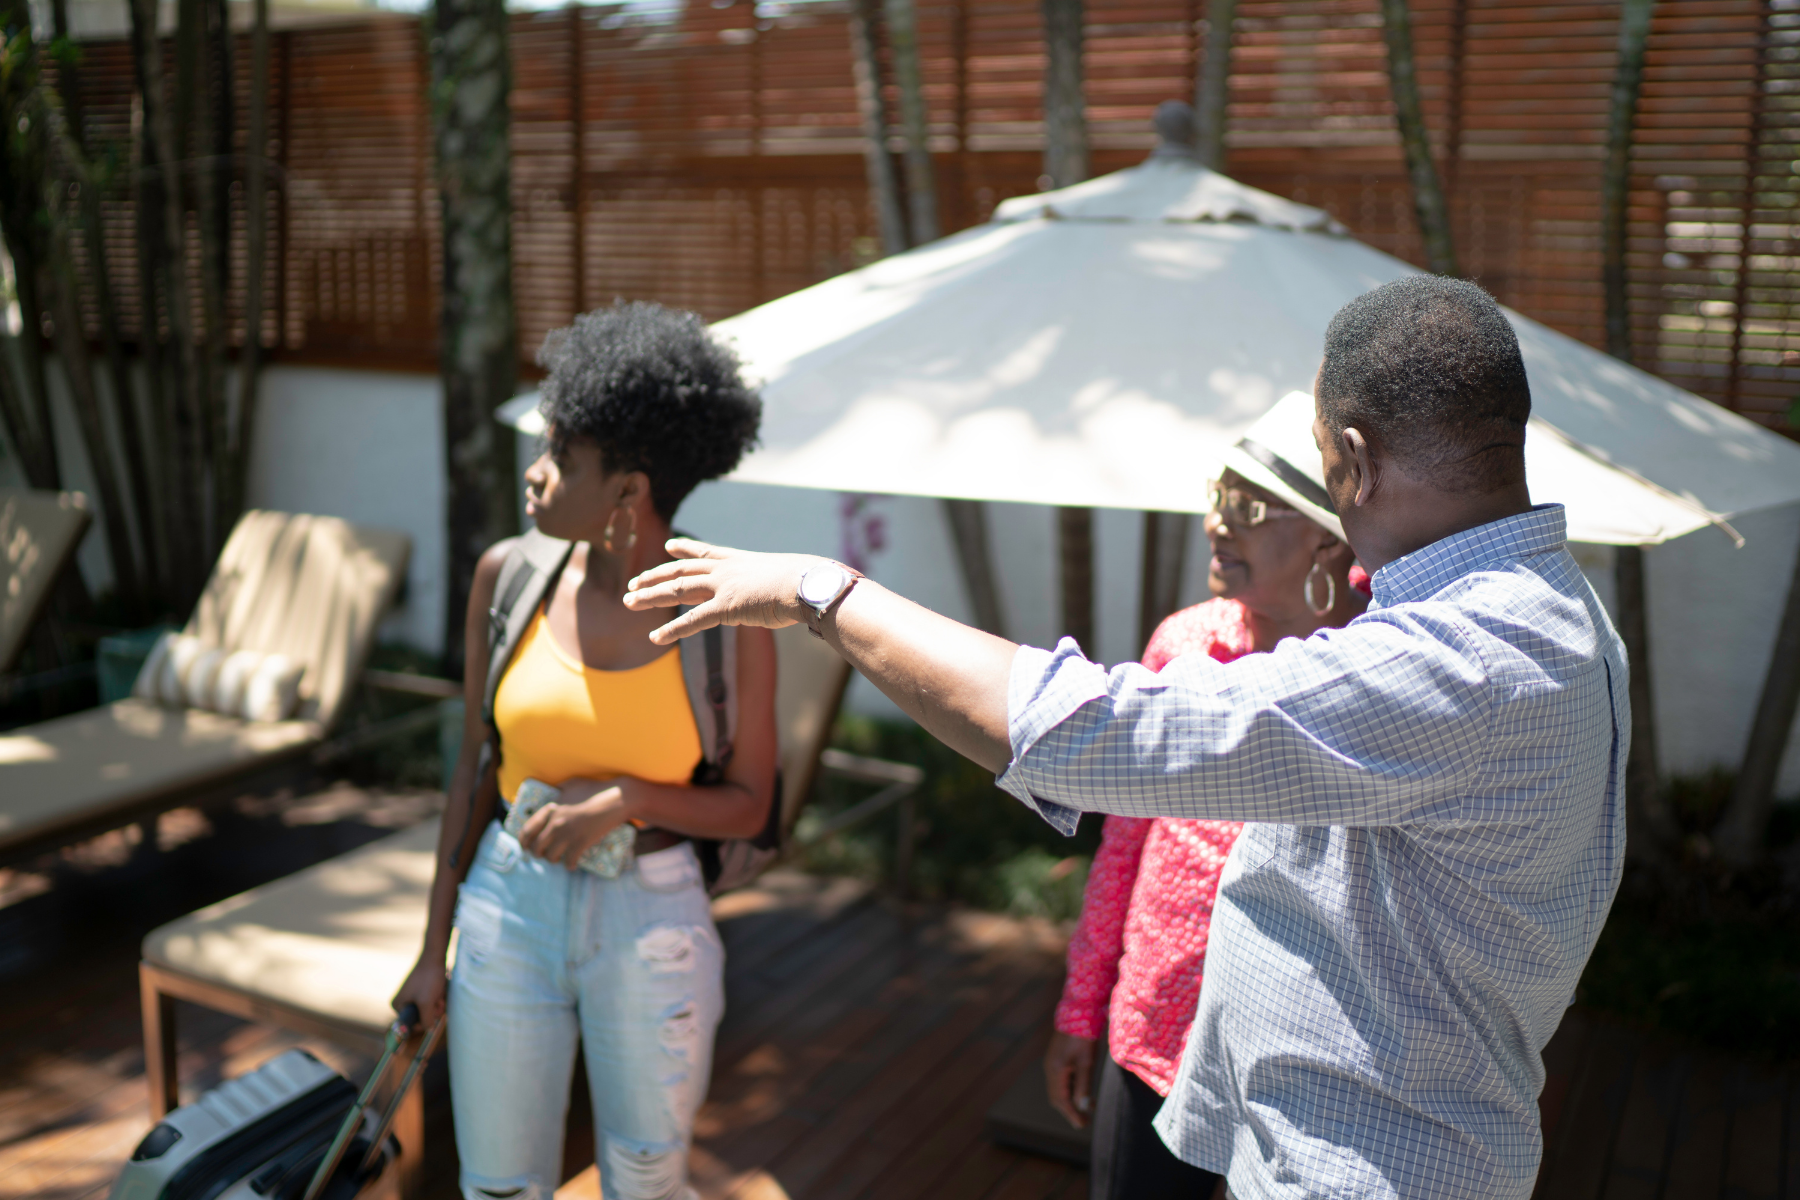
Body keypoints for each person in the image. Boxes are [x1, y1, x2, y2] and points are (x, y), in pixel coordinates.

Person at [621, 275, 1629, 1200]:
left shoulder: (1459, 661)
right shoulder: (1554, 612)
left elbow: (1097, 728)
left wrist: (821, 593)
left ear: (1355, 464)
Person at [393, 302, 773, 1200]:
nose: (536, 475)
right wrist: (429, 949)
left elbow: (753, 803)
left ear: (627, 491)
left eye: (561, 455)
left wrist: (627, 798)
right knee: (495, 1186)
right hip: (506, 910)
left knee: (644, 1180)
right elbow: (473, 770)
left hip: (652, 924)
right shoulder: (507, 578)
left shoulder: (727, 620)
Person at [1044, 395, 1369, 1200]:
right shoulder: (1183, 643)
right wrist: (1082, 1011)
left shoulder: (1375, 665)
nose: (1217, 524)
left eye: (1246, 506)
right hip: (1153, 1031)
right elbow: (1123, 845)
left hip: (1304, 1065)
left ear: (1325, 536)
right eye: (1216, 498)